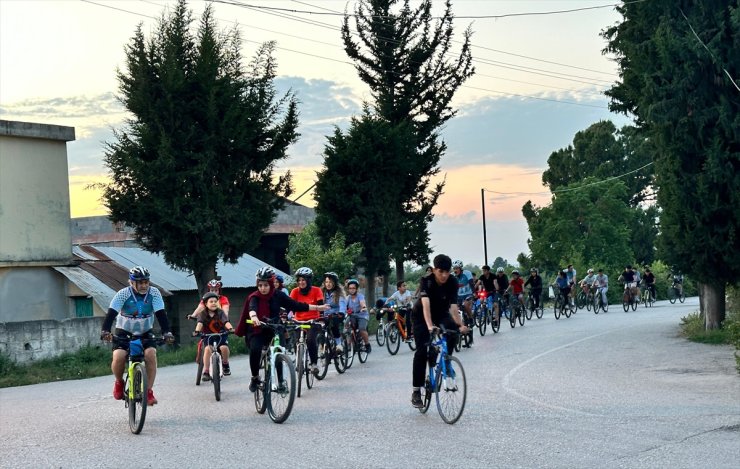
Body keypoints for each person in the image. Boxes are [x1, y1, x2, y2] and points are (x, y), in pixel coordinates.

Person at [235, 267, 329, 392]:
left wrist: (318, 308)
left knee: (278, 351)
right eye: (260, 285)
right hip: (258, 328)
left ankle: (281, 382)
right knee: (255, 349)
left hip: (275, 327)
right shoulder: (254, 296)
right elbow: (252, 308)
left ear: (271, 284)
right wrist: (254, 317)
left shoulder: (278, 295)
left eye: (266, 285)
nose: (263, 288)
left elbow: (296, 305)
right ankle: (255, 378)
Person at [101, 266, 174, 406]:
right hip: (124, 331)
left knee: (151, 354)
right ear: (131, 282)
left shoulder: (154, 293)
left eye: (146, 282)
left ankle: (148, 391)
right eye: (140, 282)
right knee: (119, 356)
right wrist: (105, 330)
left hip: (145, 331)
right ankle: (119, 382)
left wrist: (167, 332)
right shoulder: (123, 294)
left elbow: (161, 315)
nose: (144, 285)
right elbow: (111, 314)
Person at [410, 254, 470, 408]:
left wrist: (460, 325)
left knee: (453, 332)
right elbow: (425, 305)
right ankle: (416, 390)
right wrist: (430, 326)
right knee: (422, 351)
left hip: (441, 314)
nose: (444, 275)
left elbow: (453, 307)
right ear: (434, 270)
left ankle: (447, 360)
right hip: (421, 317)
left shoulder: (452, 281)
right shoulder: (426, 281)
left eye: (447, 272)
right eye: (440, 272)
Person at [289, 267, 326, 376]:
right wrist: (286, 315)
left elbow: (320, 305)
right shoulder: (295, 291)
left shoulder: (316, 290)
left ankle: (314, 364)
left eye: (303, 280)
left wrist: (322, 318)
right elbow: (290, 305)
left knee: (310, 340)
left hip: (313, 321)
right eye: (299, 280)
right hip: (298, 321)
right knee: (297, 341)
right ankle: (299, 361)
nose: (301, 282)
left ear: (308, 280)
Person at [192, 292, 234, 381]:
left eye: (215, 301)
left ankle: (225, 364)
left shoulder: (220, 312)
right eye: (211, 301)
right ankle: (206, 371)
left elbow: (226, 322)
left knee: (224, 348)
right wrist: (197, 331)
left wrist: (230, 329)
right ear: (206, 304)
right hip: (208, 336)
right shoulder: (202, 314)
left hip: (221, 335)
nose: (214, 303)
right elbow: (200, 323)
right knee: (207, 349)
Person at [322, 272, 347, 352]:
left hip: (336, 315)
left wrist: (341, 313)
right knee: (318, 328)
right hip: (324, 315)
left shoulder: (339, 293)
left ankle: (339, 344)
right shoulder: (321, 292)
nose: (328, 284)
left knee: (333, 326)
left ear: (334, 283)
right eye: (326, 282)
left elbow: (342, 303)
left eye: (330, 282)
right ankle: (322, 345)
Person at [345, 279, 371, 353]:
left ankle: (367, 345)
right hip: (352, 316)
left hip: (362, 315)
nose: (352, 290)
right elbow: (343, 307)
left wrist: (363, 308)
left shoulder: (360, 296)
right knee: (348, 328)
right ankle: (349, 344)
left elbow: (362, 303)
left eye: (353, 288)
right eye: (350, 288)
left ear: (356, 289)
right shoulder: (347, 298)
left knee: (362, 328)